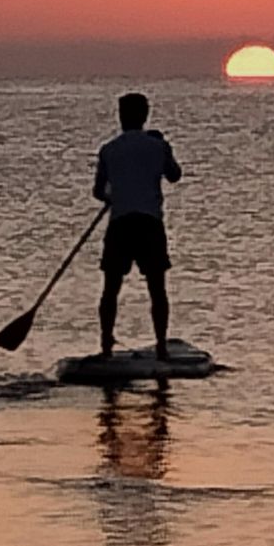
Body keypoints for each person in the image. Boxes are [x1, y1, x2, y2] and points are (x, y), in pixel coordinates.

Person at [93, 92, 182, 360]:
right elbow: (174, 175)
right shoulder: (158, 147)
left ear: (121, 116)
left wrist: (116, 196)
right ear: (145, 116)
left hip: (120, 222)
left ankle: (106, 345)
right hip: (149, 223)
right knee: (157, 287)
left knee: (111, 287)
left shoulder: (109, 149)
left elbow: (98, 192)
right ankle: (161, 346)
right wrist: (166, 148)